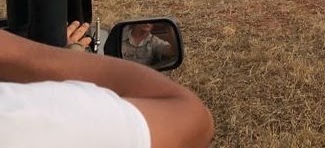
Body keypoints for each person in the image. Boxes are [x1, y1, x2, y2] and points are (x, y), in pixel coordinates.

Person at [0, 28, 214, 147]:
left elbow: (167, 53)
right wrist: (68, 58)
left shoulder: (154, 42)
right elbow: (192, 117)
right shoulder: (23, 118)